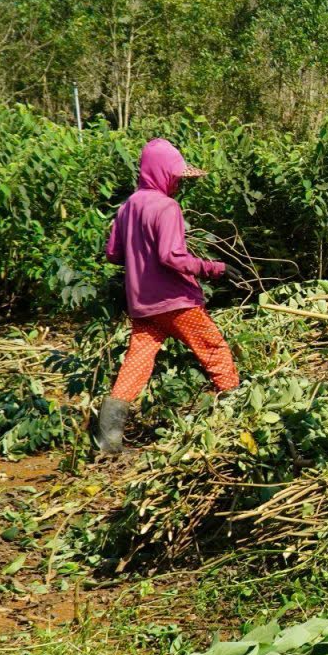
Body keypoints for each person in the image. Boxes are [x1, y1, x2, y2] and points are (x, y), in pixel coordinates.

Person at [92, 138, 238, 455]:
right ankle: (240, 416)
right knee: (214, 350)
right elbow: (172, 257)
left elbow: (113, 253)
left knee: (137, 362)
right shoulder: (167, 207)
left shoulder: (128, 206)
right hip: (175, 302)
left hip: (142, 304)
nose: (176, 183)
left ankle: (108, 439)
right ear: (161, 172)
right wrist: (213, 268)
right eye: (174, 175)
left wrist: (139, 253)